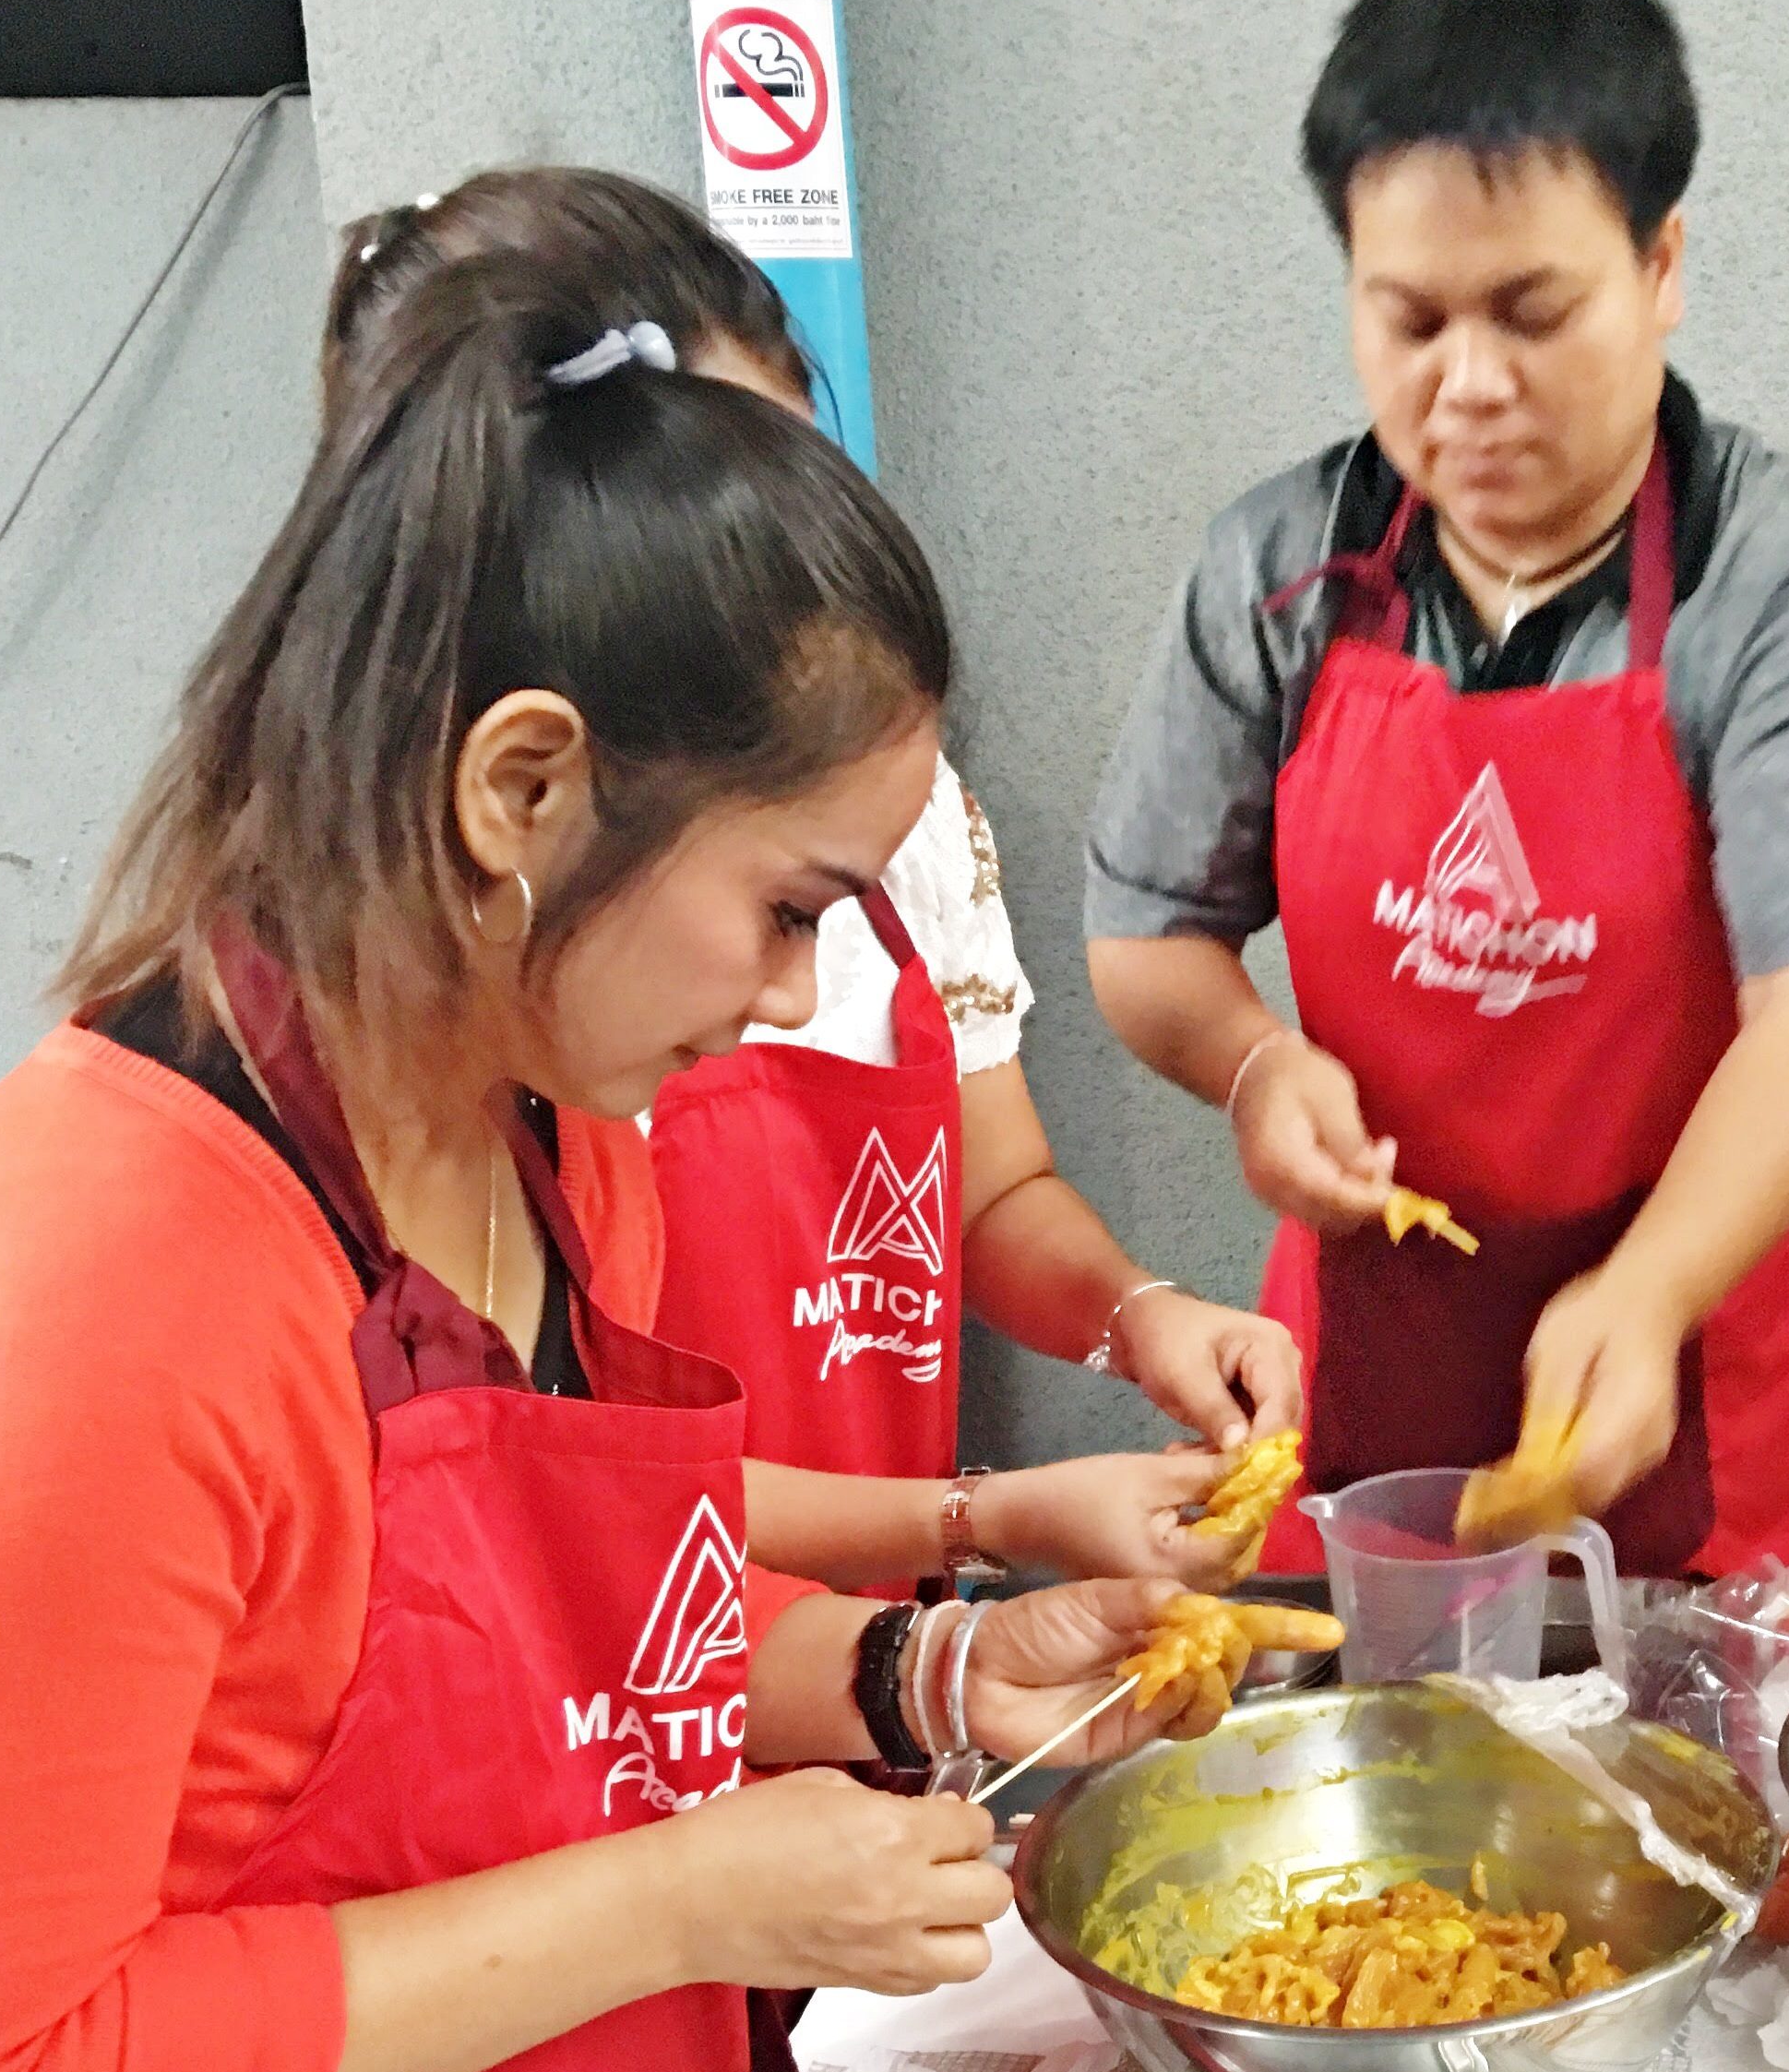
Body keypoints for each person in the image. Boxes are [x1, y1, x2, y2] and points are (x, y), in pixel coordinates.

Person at [0, 253, 1194, 2072]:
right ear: (520, 789)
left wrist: (925, 1675)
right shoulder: (94, 1299)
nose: (795, 996)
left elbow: (554, 1664)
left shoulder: (555, 1142)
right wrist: (680, 1906)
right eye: (784, 910)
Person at [326, 172, 1301, 1600]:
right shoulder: (495, 1040)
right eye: (725, 519)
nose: (789, 578)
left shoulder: (893, 828)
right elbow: (601, 1494)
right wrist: (988, 1523)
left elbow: (991, 1190)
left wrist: (1137, 1319)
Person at [1083, 0, 1789, 1579]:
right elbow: (1145, 931)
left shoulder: (1785, 594)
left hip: (1730, 1359)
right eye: (1411, 320)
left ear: (1661, 265)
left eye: (1533, 314)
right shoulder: (1282, 573)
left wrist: (1653, 1287)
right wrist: (1253, 1068)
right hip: (1380, 1350)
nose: (1469, 386)